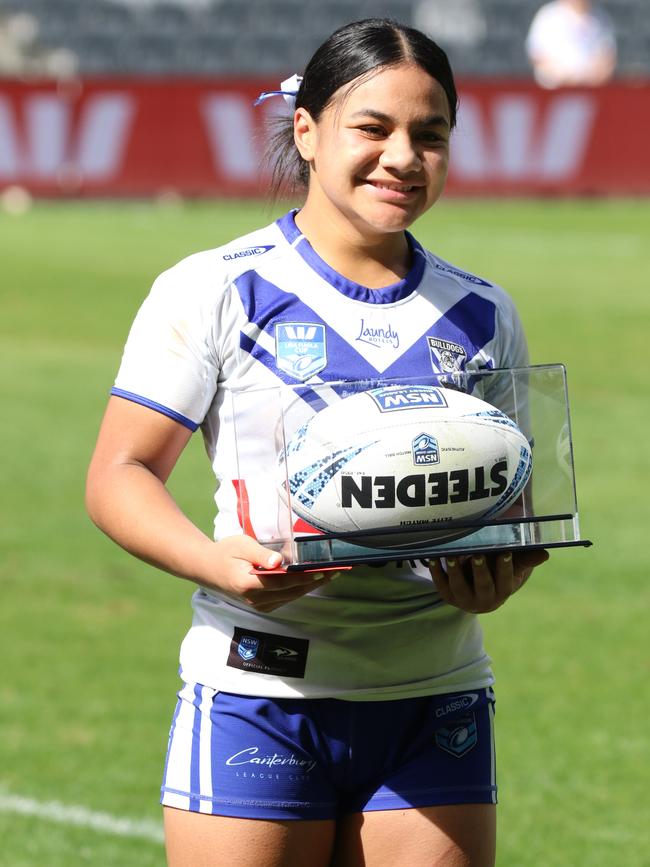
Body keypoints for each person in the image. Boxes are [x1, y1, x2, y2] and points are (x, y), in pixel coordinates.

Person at [86, 18, 548, 867]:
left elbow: (507, 506)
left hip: (434, 692)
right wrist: (217, 562)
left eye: (429, 134)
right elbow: (119, 473)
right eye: (372, 128)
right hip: (262, 692)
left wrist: (498, 573)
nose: (402, 157)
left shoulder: (484, 313)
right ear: (307, 130)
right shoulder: (218, 288)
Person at [526, 0, 617, 88]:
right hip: (553, 92)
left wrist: (586, 78)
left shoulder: (600, 18)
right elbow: (537, 56)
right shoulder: (547, 16)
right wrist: (565, 76)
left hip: (592, 92)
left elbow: (607, 58)